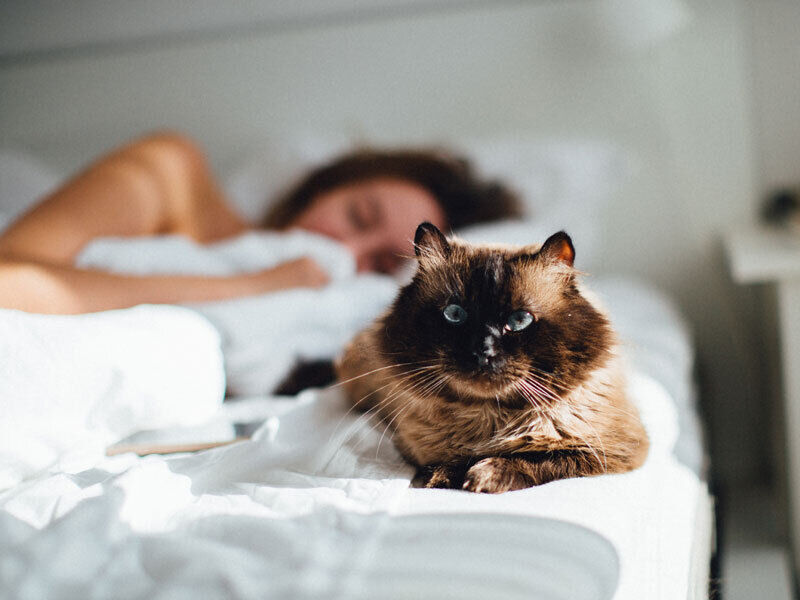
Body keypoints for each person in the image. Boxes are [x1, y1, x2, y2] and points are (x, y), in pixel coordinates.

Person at [0, 131, 521, 314]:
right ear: (324, 186)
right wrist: (252, 286)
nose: (346, 248)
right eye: (358, 215)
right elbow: (9, 280)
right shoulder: (171, 174)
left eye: (383, 262)